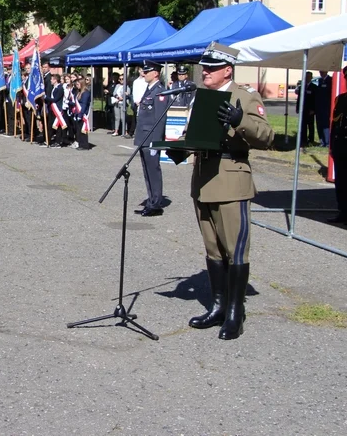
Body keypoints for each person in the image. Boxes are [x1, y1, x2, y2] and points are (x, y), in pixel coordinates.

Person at [176, 42, 273, 341]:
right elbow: (194, 134)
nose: (204, 71)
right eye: (204, 66)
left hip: (231, 181)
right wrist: (180, 148)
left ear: (227, 70)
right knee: (213, 249)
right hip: (203, 180)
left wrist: (239, 120)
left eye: (212, 67)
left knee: (235, 251)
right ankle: (217, 306)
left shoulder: (244, 96)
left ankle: (235, 312)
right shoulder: (202, 98)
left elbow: (267, 136)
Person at [134, 60, 169, 217]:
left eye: (146, 72)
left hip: (151, 139)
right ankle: (151, 201)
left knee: (153, 171)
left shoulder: (160, 92)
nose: (143, 74)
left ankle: (155, 204)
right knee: (147, 171)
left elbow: (160, 120)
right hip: (144, 137)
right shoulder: (149, 90)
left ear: (155, 73)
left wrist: (156, 143)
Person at [328, 65, 347, 225]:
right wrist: (332, 146)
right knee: (342, 184)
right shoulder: (341, 99)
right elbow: (335, 125)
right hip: (341, 149)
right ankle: (344, 212)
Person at [295, 71, 315, 146]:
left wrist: (313, 109)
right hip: (302, 109)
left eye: (309, 77)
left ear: (311, 78)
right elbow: (299, 98)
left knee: (310, 125)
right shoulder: (301, 87)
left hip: (310, 110)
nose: (307, 78)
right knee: (303, 125)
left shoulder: (314, 87)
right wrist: (297, 108)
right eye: (306, 77)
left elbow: (315, 100)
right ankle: (303, 139)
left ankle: (311, 139)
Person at [315, 70, 333, 147]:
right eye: (320, 71)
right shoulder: (319, 80)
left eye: (323, 71)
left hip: (326, 107)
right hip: (319, 107)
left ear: (326, 71)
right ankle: (321, 141)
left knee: (326, 125)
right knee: (319, 125)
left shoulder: (330, 80)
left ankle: (327, 142)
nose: (321, 73)